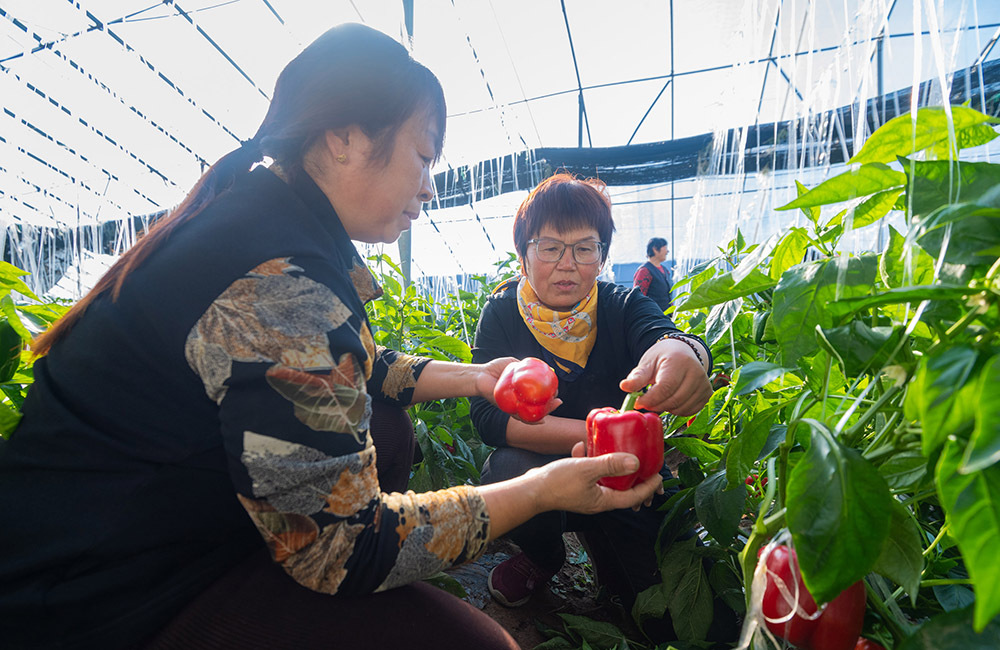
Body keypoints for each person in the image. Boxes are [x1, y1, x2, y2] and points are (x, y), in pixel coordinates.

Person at [0, 25, 663, 650]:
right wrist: (544, 489)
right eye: (424, 154)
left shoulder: (262, 217)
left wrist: (475, 377)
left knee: (389, 430)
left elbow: (354, 366)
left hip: (130, 519)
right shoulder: (279, 278)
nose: (429, 187)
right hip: (100, 593)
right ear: (344, 137)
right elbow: (343, 549)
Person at [469, 174, 714, 640]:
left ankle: (606, 543)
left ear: (601, 256)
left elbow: (669, 337)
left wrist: (686, 353)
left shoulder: (621, 305)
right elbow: (488, 417)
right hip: (550, 472)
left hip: (620, 474)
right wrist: (598, 436)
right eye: (550, 247)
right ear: (523, 255)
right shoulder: (502, 312)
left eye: (585, 248)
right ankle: (544, 557)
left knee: (654, 613)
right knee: (508, 467)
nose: (568, 264)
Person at [633, 236, 673, 311]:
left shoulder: (665, 270)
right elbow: (638, 298)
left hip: (666, 316)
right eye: (665, 248)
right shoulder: (644, 271)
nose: (667, 251)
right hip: (652, 316)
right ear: (655, 249)